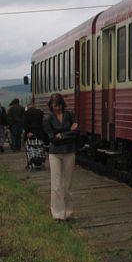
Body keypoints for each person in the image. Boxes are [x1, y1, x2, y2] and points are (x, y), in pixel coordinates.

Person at [43, 92, 79, 221]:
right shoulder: (47, 119)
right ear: (51, 106)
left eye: (58, 105)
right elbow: (52, 138)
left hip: (69, 152)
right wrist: (68, 132)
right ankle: (58, 214)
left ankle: (68, 212)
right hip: (55, 154)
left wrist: (62, 135)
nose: (56, 108)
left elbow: (77, 133)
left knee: (68, 184)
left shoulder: (69, 115)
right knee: (56, 185)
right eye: (54, 106)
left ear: (62, 104)